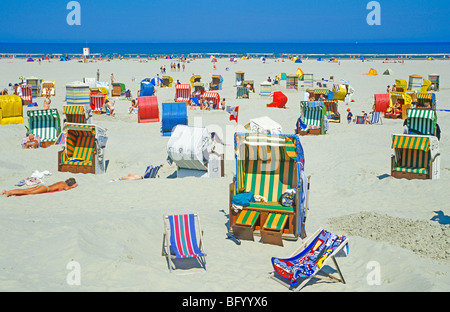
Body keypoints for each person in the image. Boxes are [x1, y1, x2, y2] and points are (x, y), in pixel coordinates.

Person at [1, 178, 77, 197]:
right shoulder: (65, 185)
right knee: (28, 193)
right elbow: (66, 189)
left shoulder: (61, 182)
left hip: (43, 186)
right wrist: (72, 187)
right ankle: (10, 193)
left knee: (25, 189)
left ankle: (7, 191)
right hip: (45, 189)